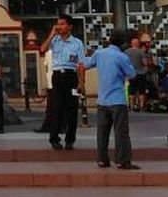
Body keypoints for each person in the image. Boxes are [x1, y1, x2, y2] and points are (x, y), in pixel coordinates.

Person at [79, 29, 139, 170]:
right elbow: (132, 74)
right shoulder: (121, 56)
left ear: (109, 40)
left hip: (102, 100)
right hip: (118, 99)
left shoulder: (99, 53)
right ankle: (122, 161)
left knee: (102, 133)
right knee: (121, 133)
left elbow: (85, 65)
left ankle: (102, 159)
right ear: (123, 43)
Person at [41, 14, 86, 150]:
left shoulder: (77, 43)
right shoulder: (54, 40)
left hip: (71, 76)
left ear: (70, 26)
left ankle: (70, 139)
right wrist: (51, 34)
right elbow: (43, 49)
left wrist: (81, 83)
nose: (59, 27)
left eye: (62, 24)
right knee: (57, 108)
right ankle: (54, 138)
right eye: (58, 24)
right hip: (58, 76)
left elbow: (81, 64)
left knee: (72, 108)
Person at [124, 36, 147, 111]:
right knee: (141, 91)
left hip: (130, 74)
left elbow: (124, 63)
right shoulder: (141, 52)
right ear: (138, 44)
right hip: (141, 73)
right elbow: (145, 63)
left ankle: (131, 106)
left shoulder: (126, 52)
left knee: (131, 91)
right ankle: (141, 107)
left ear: (131, 44)